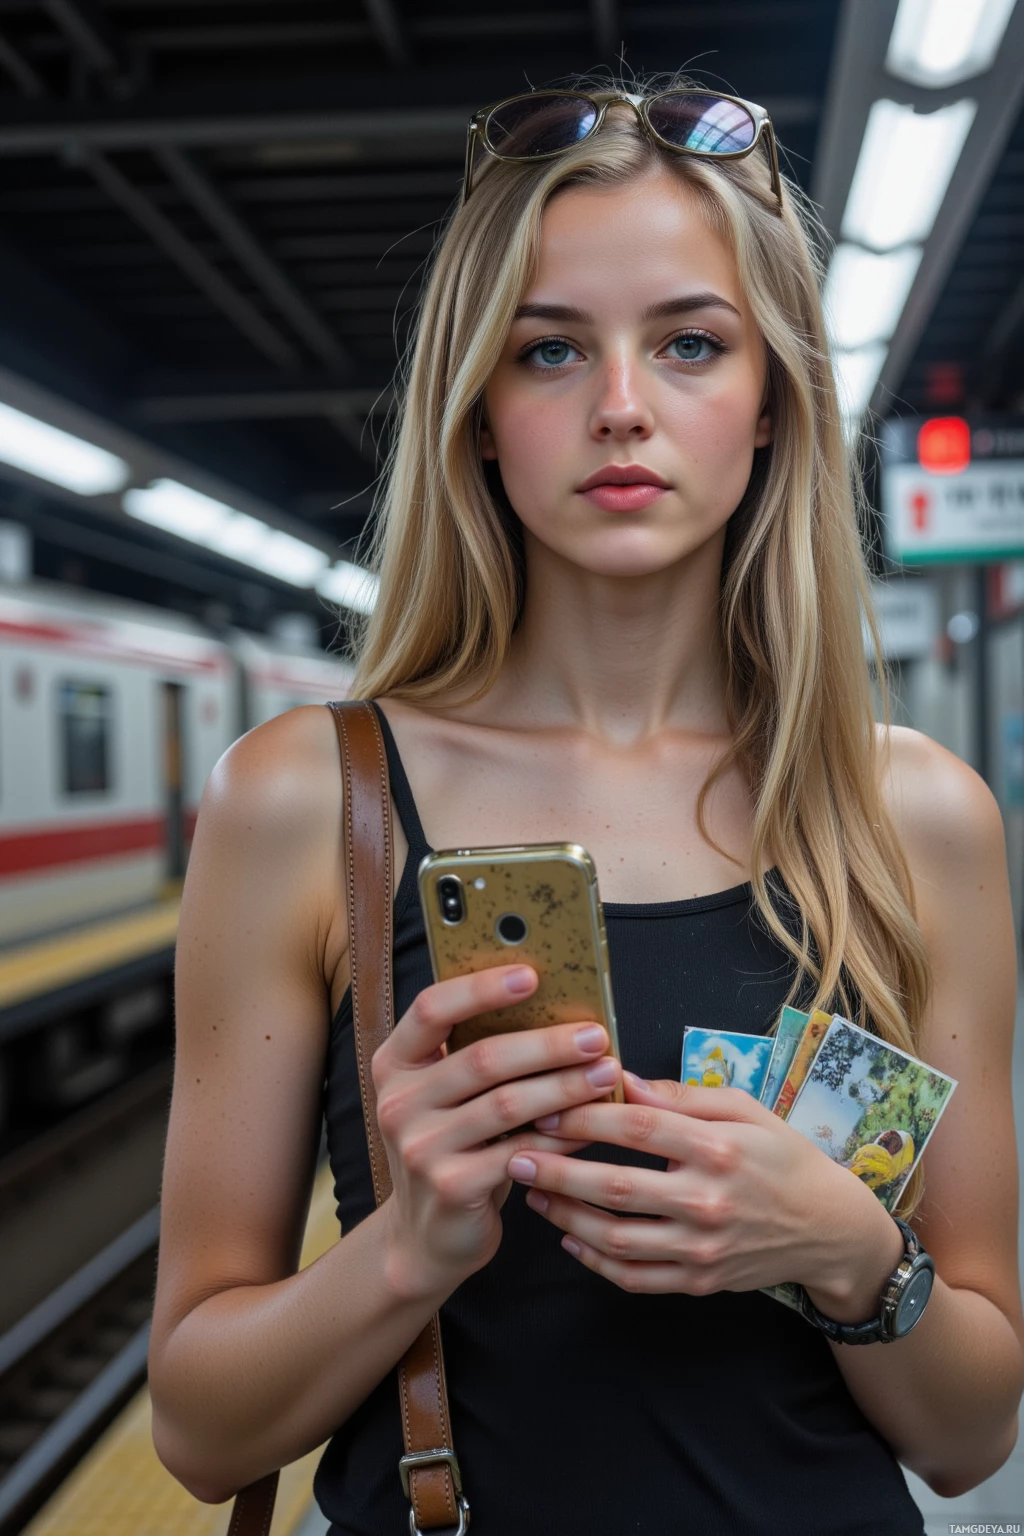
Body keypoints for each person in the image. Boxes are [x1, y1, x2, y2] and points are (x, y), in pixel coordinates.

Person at [148, 78, 1024, 1535]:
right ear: (480, 413)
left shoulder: (913, 816)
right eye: (550, 351)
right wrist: (413, 1248)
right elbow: (195, 1428)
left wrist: (846, 1251)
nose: (622, 406)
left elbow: (972, 1433)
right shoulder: (314, 799)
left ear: (774, 405)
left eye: (691, 343)